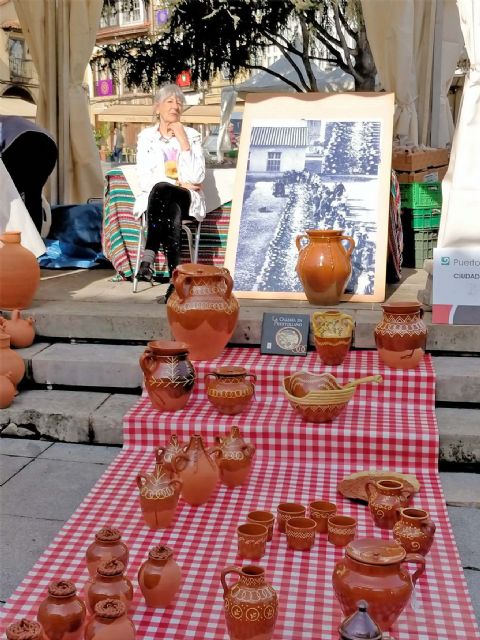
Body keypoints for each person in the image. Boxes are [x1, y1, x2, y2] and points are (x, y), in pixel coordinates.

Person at [133, 84, 206, 301]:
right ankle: (176, 283)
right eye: (170, 101)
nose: (175, 106)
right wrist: (178, 181)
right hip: (159, 200)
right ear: (157, 108)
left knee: (166, 191)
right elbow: (145, 178)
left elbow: (197, 177)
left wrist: (183, 140)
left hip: (187, 199)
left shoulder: (192, 135)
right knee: (169, 206)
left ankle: (148, 257)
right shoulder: (146, 137)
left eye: (179, 102)